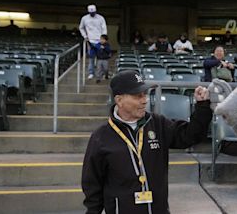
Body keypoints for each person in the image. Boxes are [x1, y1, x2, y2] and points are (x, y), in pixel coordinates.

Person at [82, 70, 212, 214]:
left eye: (145, 94)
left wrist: (202, 107)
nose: (144, 100)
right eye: (138, 96)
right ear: (119, 100)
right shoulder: (101, 137)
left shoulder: (158, 124)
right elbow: (92, 184)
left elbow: (190, 136)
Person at [79, 4, 107, 79]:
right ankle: (91, 72)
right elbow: (81, 28)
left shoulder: (101, 18)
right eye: (91, 13)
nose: (92, 14)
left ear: (96, 11)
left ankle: (101, 73)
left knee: (101, 58)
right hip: (90, 41)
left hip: (99, 40)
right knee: (91, 57)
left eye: (93, 12)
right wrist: (85, 36)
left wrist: (104, 39)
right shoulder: (84, 18)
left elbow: (104, 28)